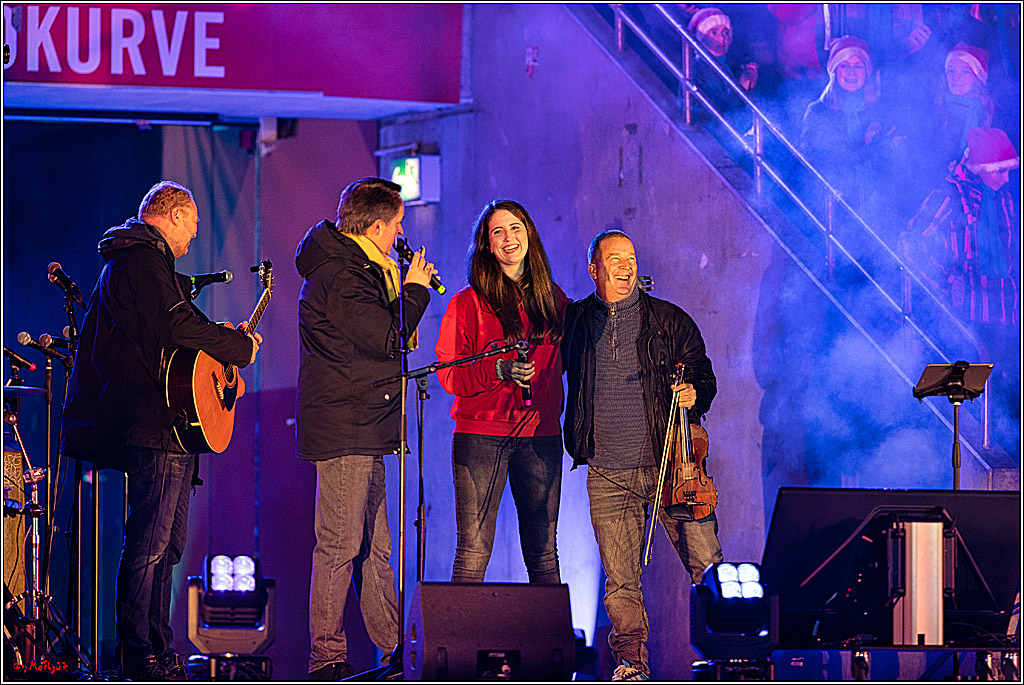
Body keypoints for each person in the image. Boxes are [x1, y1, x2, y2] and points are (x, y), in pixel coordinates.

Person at [60, 181, 260, 680]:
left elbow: (177, 337)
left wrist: (220, 350)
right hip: (153, 424)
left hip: (170, 424)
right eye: (191, 225)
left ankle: (156, 648)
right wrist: (236, 349)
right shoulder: (142, 262)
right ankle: (138, 656)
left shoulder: (149, 265)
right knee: (149, 545)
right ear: (171, 217)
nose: (193, 237)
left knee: (167, 547)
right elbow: (179, 328)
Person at [561, 230, 722, 681]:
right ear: (594, 270)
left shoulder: (670, 320)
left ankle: (726, 655)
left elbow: (704, 376)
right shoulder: (574, 321)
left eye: (630, 257)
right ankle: (631, 665)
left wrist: (695, 393)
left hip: (675, 468)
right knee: (620, 584)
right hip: (608, 473)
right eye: (614, 259)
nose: (625, 265)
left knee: (706, 566)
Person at [294, 177, 437, 680]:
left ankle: (395, 647)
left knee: (375, 546)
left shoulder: (362, 268)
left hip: (365, 421)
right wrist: (415, 290)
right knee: (338, 544)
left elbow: (386, 338)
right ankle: (326, 658)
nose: (401, 233)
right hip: (345, 423)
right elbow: (386, 337)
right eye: (397, 224)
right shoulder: (341, 273)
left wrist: (399, 287)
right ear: (377, 226)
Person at [435, 200, 569, 585]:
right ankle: (456, 644)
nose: (509, 238)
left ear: (529, 235)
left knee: (544, 554)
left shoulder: (554, 301)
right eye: (498, 232)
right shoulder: (466, 303)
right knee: (473, 552)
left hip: (540, 435)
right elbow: (448, 375)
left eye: (515, 228)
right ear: (487, 247)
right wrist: (498, 369)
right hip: (480, 436)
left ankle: (548, 645)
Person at [901, 127, 1019, 453]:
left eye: (1010, 170)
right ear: (980, 168)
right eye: (999, 171)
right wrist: (946, 283)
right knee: (972, 391)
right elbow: (912, 244)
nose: (1007, 178)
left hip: (1008, 311)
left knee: (1007, 393)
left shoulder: (1008, 198)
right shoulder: (950, 196)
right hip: (969, 312)